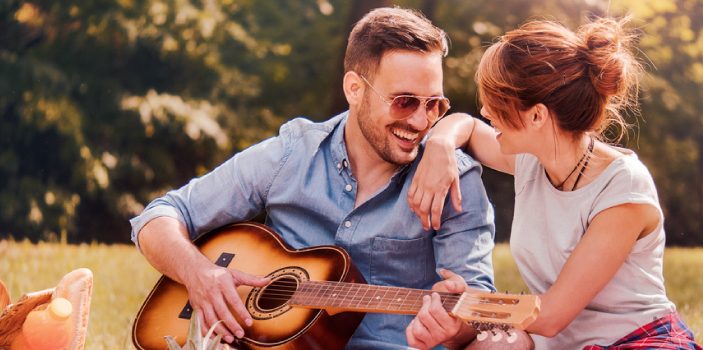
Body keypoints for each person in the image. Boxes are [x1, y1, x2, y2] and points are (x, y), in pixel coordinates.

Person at [129, 7, 496, 349]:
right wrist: (201, 275)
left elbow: (478, 308)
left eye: (434, 105)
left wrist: (455, 325)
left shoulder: (455, 181)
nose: (419, 121)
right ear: (354, 89)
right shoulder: (293, 153)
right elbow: (158, 217)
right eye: (404, 101)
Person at [405, 18, 703, 349]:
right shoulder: (531, 160)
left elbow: (550, 316)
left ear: (537, 116)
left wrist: (469, 304)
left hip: (638, 341)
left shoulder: (623, 188)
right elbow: (468, 127)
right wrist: (440, 144)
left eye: (497, 103)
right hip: (561, 345)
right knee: (502, 344)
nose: (486, 111)